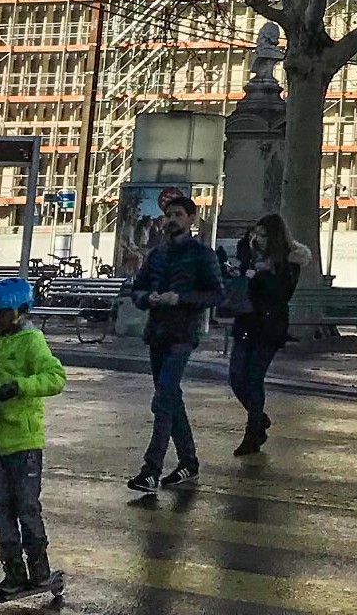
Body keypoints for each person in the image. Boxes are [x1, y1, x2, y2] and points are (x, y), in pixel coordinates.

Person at [0, 274, 67, 595]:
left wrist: (20, 386)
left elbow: (55, 377)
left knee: (26, 507)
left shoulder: (32, 342)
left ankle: (39, 568)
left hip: (23, 443)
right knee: (0, 510)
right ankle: (13, 570)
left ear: (21, 312)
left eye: (3, 315)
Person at [126, 190, 223, 492]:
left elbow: (216, 293)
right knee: (170, 398)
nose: (172, 220)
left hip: (183, 334)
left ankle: (151, 468)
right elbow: (137, 290)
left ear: (192, 219)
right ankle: (188, 461)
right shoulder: (157, 254)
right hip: (157, 334)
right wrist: (148, 298)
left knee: (164, 398)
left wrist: (180, 298)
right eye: (169, 215)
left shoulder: (202, 255)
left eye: (179, 215)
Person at [228, 212, 301, 456]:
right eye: (255, 233)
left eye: (263, 235)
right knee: (236, 375)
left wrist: (261, 276)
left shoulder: (288, 260)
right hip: (246, 320)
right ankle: (258, 417)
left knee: (254, 377)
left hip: (269, 325)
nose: (257, 239)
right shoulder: (247, 253)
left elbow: (283, 294)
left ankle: (253, 433)